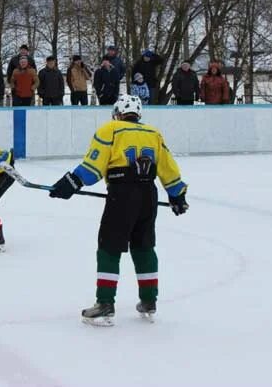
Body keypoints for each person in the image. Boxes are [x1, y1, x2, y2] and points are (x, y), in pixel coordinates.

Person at [48, 94, 189, 326]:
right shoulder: (153, 133)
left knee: (109, 247)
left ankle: (104, 303)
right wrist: (177, 195)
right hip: (148, 195)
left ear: (118, 112)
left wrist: (70, 183)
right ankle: (149, 300)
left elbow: (93, 167)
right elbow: (168, 168)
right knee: (144, 246)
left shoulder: (110, 130)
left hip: (122, 194)